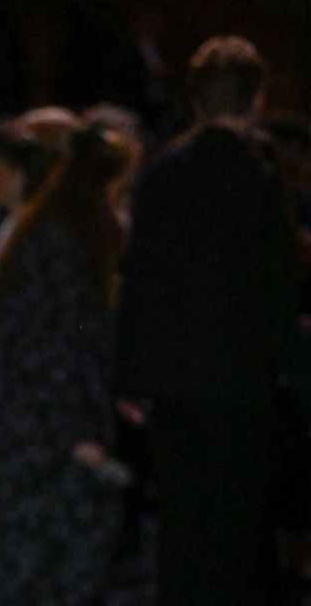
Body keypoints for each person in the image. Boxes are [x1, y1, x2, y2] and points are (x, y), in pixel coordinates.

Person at [116, 36, 299, 606]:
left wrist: (131, 374)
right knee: (237, 531)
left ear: (195, 99)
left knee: (184, 529)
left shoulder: (163, 175)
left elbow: (140, 278)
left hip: (174, 382)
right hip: (242, 385)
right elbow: (277, 293)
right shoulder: (261, 181)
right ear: (257, 100)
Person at [0, 125, 133, 606]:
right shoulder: (68, 246)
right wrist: (81, 432)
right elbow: (56, 349)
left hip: (16, 433)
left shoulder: (41, 234)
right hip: (40, 442)